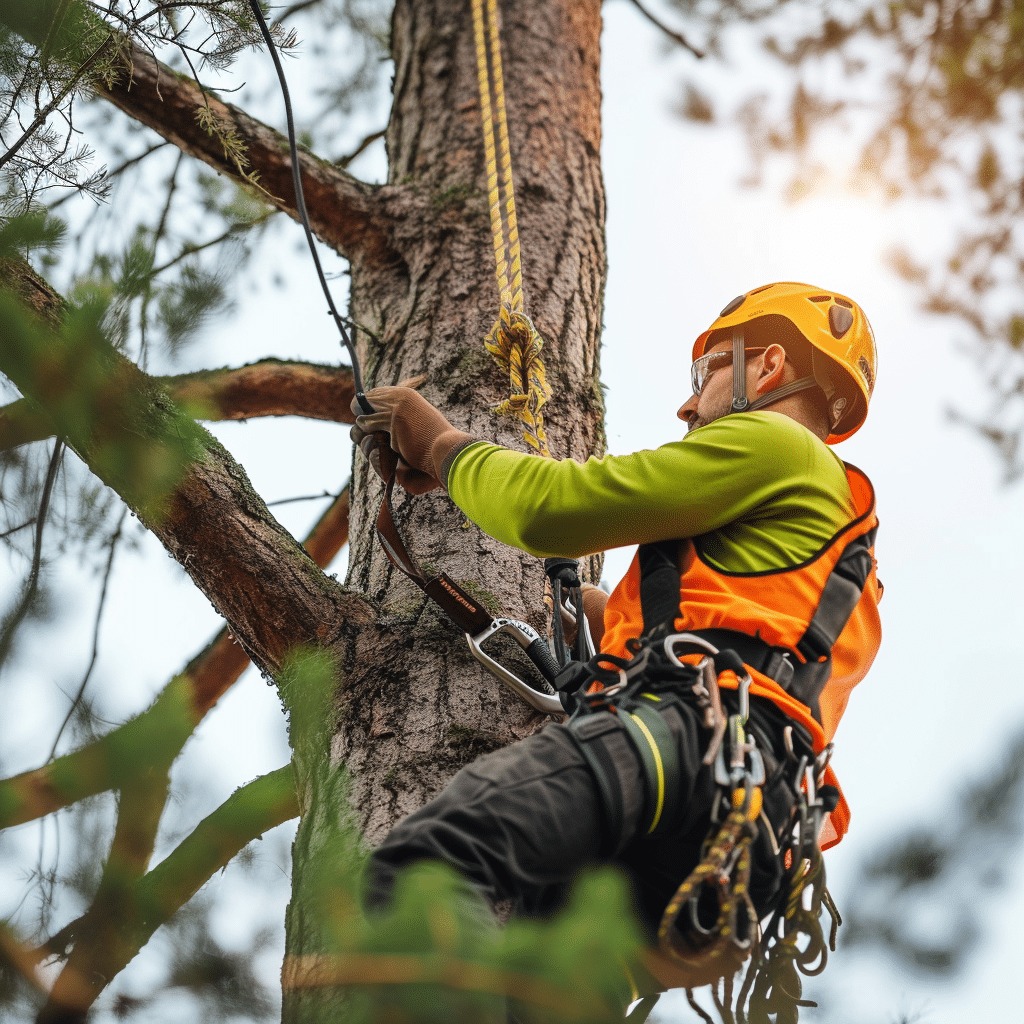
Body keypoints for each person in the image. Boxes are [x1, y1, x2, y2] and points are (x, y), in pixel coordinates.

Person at [350, 281, 882, 995]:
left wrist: (443, 445)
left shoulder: (775, 442)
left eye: (707, 375)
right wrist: (609, 618)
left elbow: (553, 510)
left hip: (686, 751)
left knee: (429, 865)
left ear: (768, 367)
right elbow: (749, 637)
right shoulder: (844, 550)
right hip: (751, 839)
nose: (688, 405)